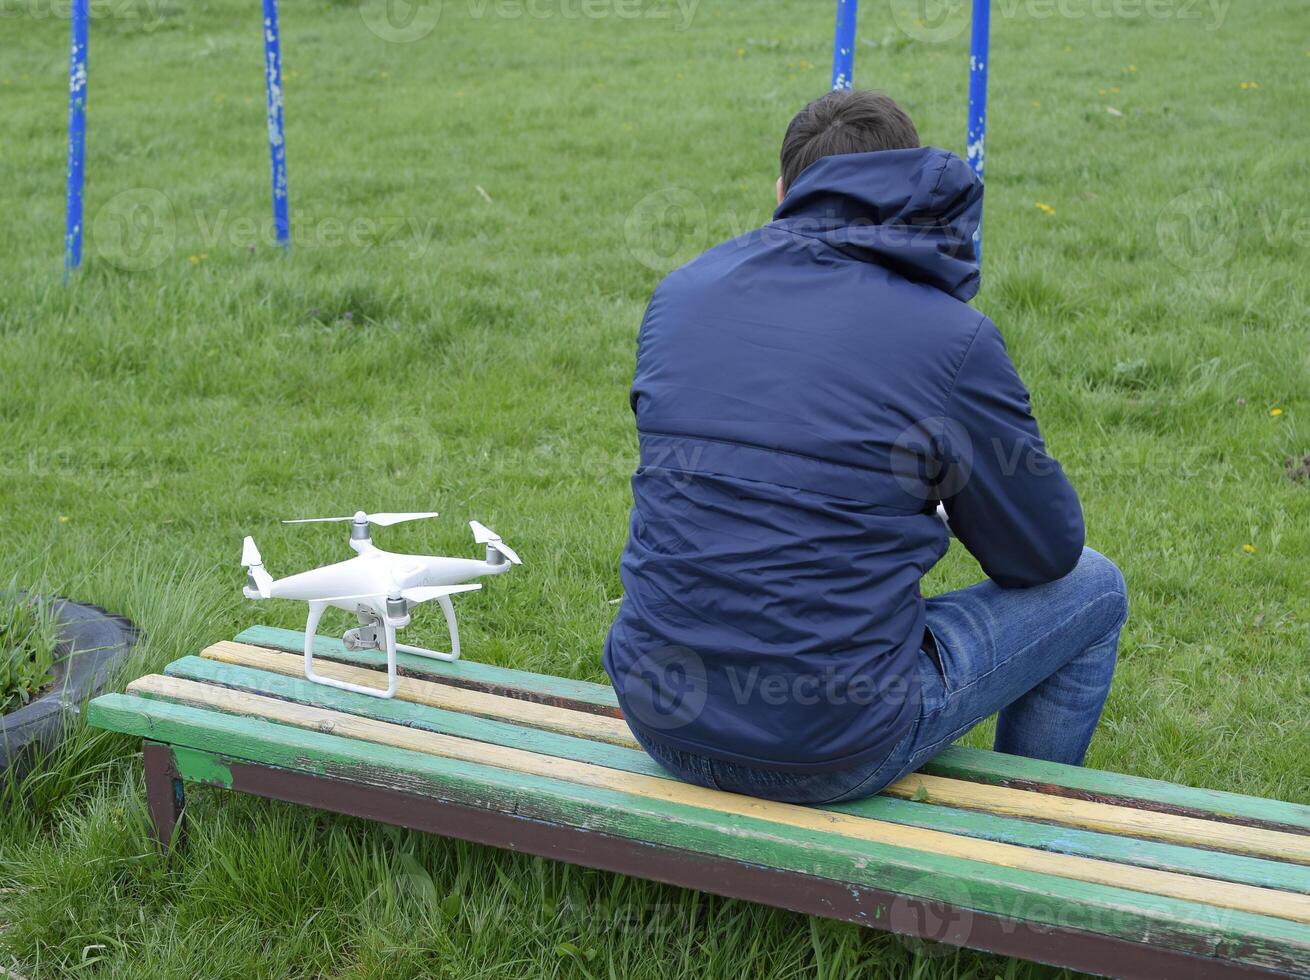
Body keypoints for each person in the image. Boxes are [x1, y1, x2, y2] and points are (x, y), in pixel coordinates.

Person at [602, 89, 1127, 805]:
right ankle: (1026, 836)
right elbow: (1043, 555)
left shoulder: (678, 294)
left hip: (658, 714)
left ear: (783, 192)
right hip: (836, 747)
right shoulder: (952, 339)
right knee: (1095, 586)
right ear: (912, 196)